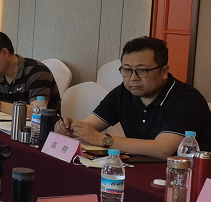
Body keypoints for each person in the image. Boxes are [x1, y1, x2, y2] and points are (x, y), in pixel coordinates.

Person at [55, 36, 211, 158]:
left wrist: (103, 139)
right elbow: (89, 126)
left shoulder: (187, 100)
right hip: (142, 168)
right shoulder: (123, 92)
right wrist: (70, 129)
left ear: (164, 71)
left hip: (188, 177)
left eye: (142, 71)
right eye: (127, 70)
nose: (133, 78)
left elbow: (163, 149)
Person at [0, 31, 61, 115]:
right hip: (6, 126)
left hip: (42, 129)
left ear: (5, 52)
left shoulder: (37, 71)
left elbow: (37, 111)